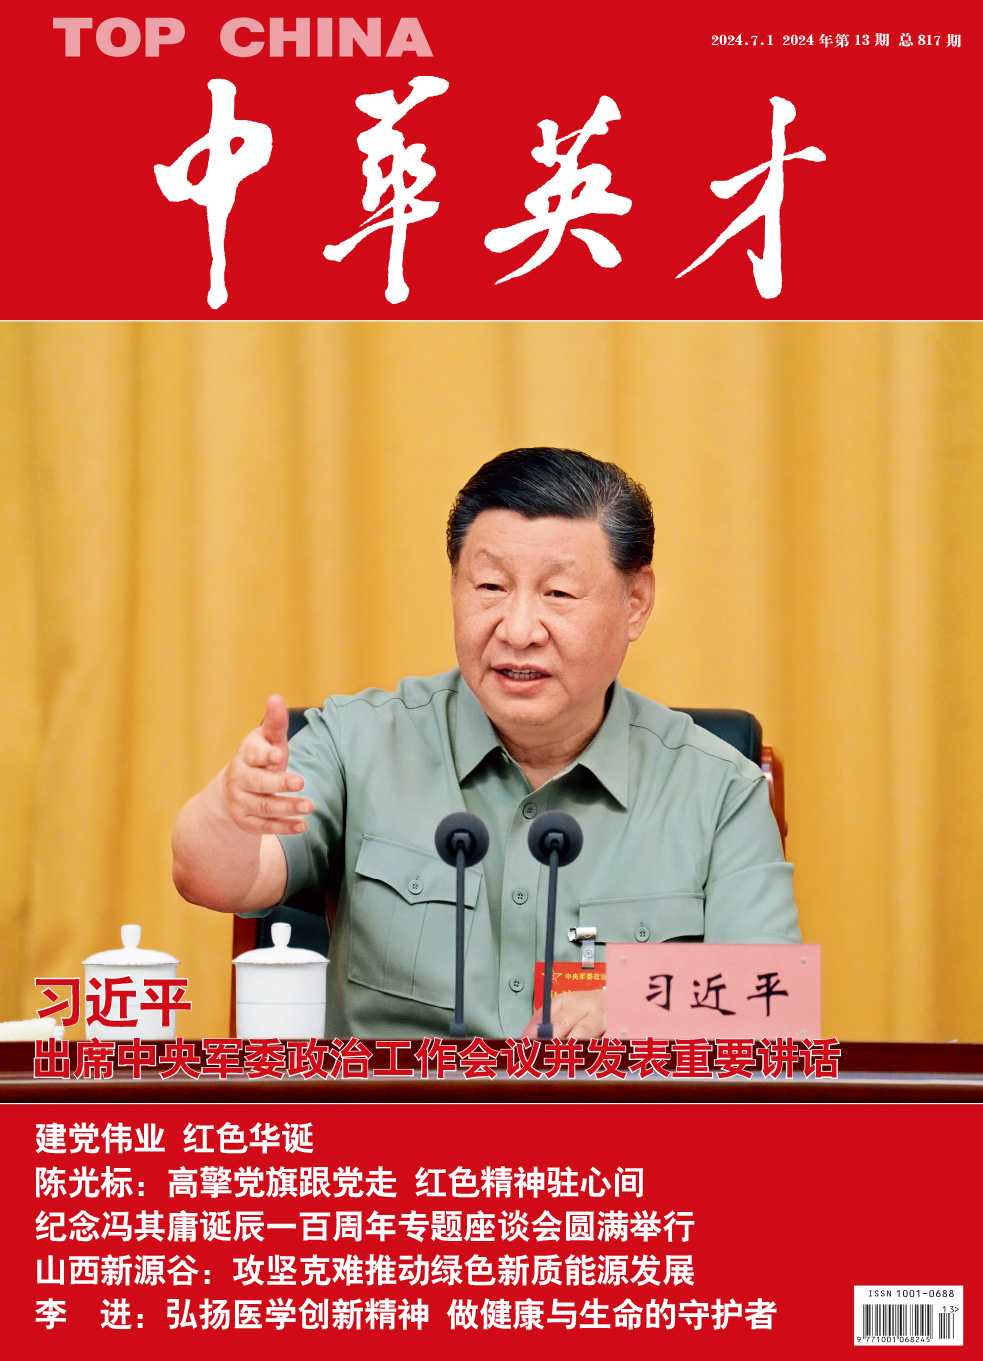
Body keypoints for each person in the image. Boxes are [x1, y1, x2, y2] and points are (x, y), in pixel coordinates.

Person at [172, 447, 799, 1038]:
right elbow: (216, 879)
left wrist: (638, 1002)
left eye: (558, 594)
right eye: (491, 588)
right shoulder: (358, 744)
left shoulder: (717, 789)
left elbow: (778, 1002)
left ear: (635, 603)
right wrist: (228, 813)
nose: (518, 630)